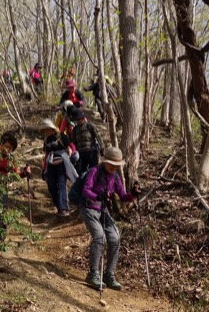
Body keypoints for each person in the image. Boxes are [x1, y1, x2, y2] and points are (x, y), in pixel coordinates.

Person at [79, 147, 141, 291]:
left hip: (104, 211)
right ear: (105, 162)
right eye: (111, 164)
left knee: (115, 238)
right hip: (88, 208)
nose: (113, 167)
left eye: (116, 165)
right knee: (99, 236)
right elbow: (85, 190)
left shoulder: (115, 177)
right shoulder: (95, 171)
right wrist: (98, 196)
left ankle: (109, 275)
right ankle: (93, 273)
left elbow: (123, 196)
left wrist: (133, 193)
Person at [40, 119, 77, 216]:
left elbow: (71, 145)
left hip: (62, 163)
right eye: (45, 130)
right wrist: (44, 168)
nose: (47, 132)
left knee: (61, 184)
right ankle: (58, 206)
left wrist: (73, 154)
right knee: (51, 186)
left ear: (52, 128)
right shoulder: (46, 140)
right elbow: (47, 154)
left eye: (48, 129)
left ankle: (64, 209)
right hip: (51, 164)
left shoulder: (61, 135)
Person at [67, 106, 104, 176]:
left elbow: (98, 136)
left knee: (94, 172)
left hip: (92, 152)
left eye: (79, 119)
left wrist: (102, 147)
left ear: (83, 118)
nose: (78, 121)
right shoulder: (75, 130)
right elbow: (74, 142)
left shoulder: (90, 126)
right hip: (81, 154)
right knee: (82, 173)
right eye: (77, 120)